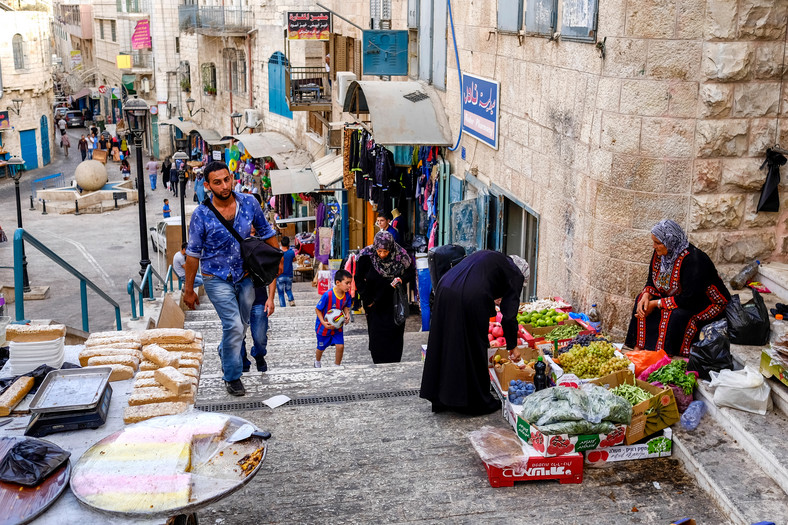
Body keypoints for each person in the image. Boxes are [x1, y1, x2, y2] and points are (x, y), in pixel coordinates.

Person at [183, 161, 279, 397]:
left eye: (227, 179)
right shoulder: (201, 215)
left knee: (242, 326)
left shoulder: (249, 203)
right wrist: (188, 289)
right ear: (207, 185)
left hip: (246, 275)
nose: (224, 186)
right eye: (217, 182)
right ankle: (232, 376)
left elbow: (266, 232)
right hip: (216, 277)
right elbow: (193, 254)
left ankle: (225, 349)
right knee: (234, 325)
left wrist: (277, 261)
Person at [420, 251, 528, 415]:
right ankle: (475, 402)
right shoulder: (515, 273)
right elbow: (509, 316)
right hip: (468, 296)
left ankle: (441, 397)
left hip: (445, 287)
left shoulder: (493, 257)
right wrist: (512, 345)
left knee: (446, 340)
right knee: (474, 346)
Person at [625, 220, 731, 357]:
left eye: (657, 243)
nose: (654, 246)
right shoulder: (660, 254)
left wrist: (656, 303)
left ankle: (663, 353)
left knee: (673, 313)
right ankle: (639, 346)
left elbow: (690, 298)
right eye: (654, 242)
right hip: (679, 296)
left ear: (670, 241)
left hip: (705, 302)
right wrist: (647, 296)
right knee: (641, 300)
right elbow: (651, 280)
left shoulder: (694, 259)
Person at [355, 231, 414, 364]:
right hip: (374, 304)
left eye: (385, 251)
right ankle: (379, 362)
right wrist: (367, 300)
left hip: (394, 303)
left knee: (395, 336)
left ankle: (394, 362)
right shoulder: (366, 256)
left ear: (391, 247)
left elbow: (410, 273)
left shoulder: (401, 255)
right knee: (377, 338)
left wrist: (401, 279)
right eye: (380, 251)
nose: (382, 255)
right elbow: (358, 279)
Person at [314, 269, 352, 368]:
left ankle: (337, 365)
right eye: (347, 283)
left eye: (350, 283)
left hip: (337, 327)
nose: (349, 286)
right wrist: (323, 322)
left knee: (340, 346)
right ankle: (317, 361)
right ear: (338, 283)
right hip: (323, 328)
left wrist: (347, 314)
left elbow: (345, 306)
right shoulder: (328, 295)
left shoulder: (347, 295)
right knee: (321, 348)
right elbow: (317, 309)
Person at [277, 236, 296, 307]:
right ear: (288, 243)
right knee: (288, 289)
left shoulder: (278, 253)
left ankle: (283, 305)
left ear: (281, 244)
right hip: (289, 275)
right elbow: (294, 260)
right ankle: (291, 300)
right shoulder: (291, 252)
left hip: (280, 275)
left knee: (281, 292)